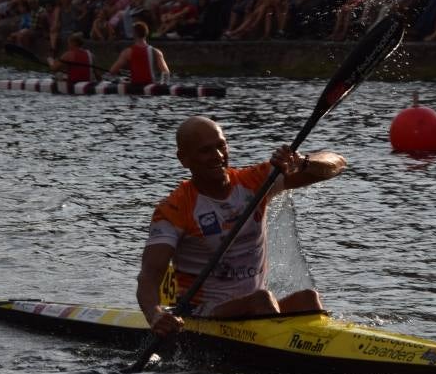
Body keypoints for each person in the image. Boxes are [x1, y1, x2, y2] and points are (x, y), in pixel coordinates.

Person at [137, 116, 347, 337]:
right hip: (203, 314)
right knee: (262, 298)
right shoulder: (175, 209)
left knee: (308, 298)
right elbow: (149, 276)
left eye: (221, 146)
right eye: (205, 151)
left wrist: (301, 161)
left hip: (257, 308)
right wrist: (155, 314)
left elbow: (338, 163)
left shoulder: (255, 182)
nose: (218, 156)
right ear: (184, 159)